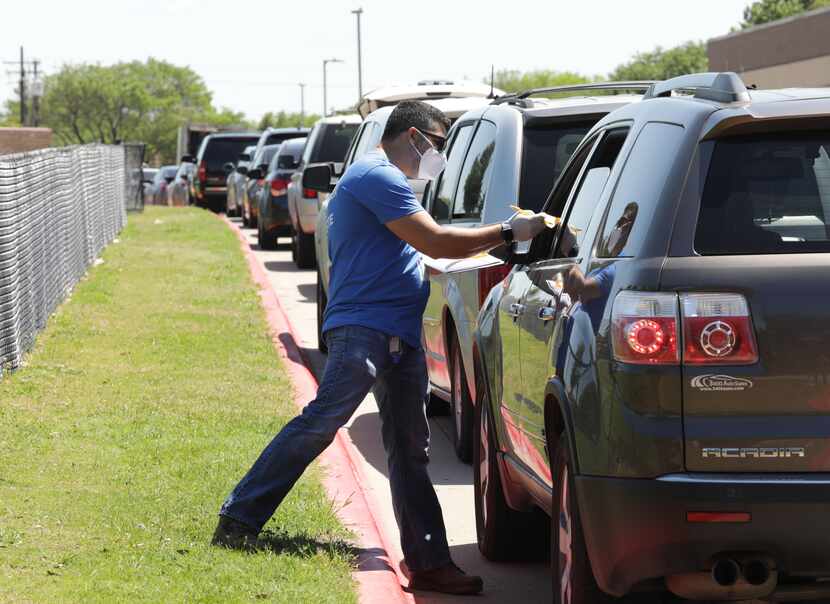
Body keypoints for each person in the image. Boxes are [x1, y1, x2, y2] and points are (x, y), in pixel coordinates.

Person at [212, 100, 547, 595]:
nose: (439, 156)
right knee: (321, 423)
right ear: (412, 136)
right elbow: (433, 241)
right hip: (363, 330)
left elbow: (410, 250)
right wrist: (506, 232)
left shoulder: (388, 182)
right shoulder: (378, 176)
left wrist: (447, 260)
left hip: (399, 333)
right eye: (437, 144)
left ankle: (429, 561)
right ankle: (239, 517)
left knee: (410, 449)